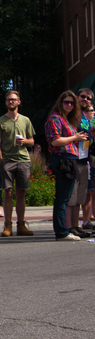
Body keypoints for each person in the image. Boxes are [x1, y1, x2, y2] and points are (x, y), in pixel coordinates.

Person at [45, 91, 87, 241]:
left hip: (71, 159)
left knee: (66, 197)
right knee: (63, 198)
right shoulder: (55, 119)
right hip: (63, 159)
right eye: (66, 102)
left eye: (72, 103)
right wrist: (75, 137)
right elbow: (55, 141)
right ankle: (62, 232)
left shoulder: (67, 120)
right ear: (60, 103)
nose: (69, 105)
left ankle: (64, 230)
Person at [0, 90, 35, 237]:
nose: (11, 102)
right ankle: (8, 225)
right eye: (8, 100)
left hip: (23, 159)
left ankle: (21, 224)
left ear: (19, 102)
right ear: (6, 102)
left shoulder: (26, 120)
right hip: (8, 160)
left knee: (21, 192)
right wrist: (0, 158)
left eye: (14, 99)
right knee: (8, 192)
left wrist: (25, 141)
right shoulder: (0, 121)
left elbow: (32, 141)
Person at [70, 88, 95, 234]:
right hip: (73, 158)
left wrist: (90, 158)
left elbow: (86, 140)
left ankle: (84, 222)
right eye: (83, 97)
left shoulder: (86, 118)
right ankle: (71, 225)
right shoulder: (73, 114)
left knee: (83, 193)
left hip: (84, 158)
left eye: (89, 98)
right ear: (77, 97)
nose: (85, 99)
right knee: (72, 195)